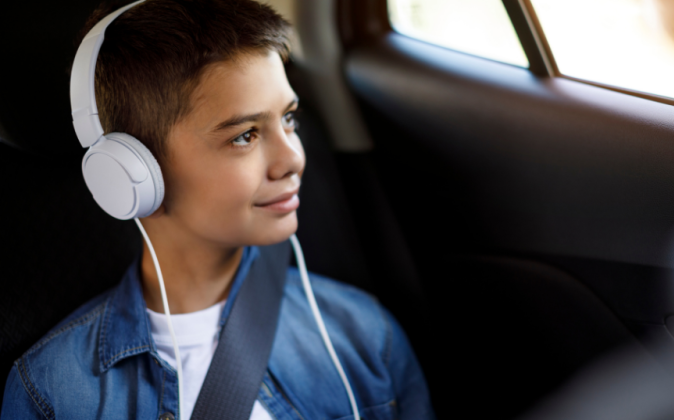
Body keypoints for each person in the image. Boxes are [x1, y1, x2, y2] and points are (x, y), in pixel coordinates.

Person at [0, 0, 434, 419]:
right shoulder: (53, 391)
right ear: (133, 171)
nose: (293, 159)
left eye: (289, 120)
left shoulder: (364, 336)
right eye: (245, 135)